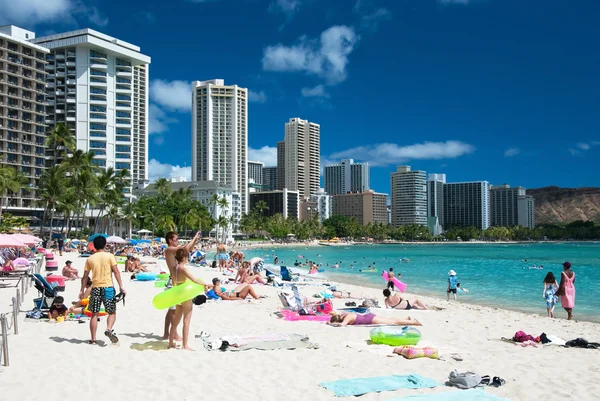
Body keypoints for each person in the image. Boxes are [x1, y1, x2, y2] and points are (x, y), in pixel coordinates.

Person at [79, 236, 126, 345]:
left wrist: (81, 290)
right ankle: (108, 329)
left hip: (95, 288)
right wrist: (121, 286)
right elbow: (116, 272)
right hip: (108, 287)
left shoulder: (90, 258)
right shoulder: (110, 256)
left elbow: (85, 276)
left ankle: (93, 339)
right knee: (112, 312)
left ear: (94, 246)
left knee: (94, 314)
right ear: (105, 245)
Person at [168, 248, 213, 351]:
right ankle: (185, 345)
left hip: (177, 296)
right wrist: (206, 284)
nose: (187, 259)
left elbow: (175, 283)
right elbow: (195, 280)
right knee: (186, 322)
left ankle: (170, 343)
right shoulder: (183, 269)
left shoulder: (173, 268)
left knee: (175, 322)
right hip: (185, 296)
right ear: (184, 258)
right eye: (187, 257)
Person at [163, 230, 202, 340]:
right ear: (170, 240)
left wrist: (195, 241)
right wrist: (194, 237)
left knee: (171, 310)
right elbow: (184, 249)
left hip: (173, 280)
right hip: (173, 282)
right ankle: (174, 334)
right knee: (174, 310)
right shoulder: (169, 249)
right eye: (176, 239)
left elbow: (187, 250)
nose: (178, 241)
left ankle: (166, 333)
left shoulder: (174, 251)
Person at [328, 311, 421, 327]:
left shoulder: (347, 318)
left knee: (393, 322)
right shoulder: (345, 314)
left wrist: (330, 324)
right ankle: (406, 319)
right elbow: (336, 314)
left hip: (370, 320)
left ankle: (413, 322)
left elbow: (342, 325)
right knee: (389, 320)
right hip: (369, 316)